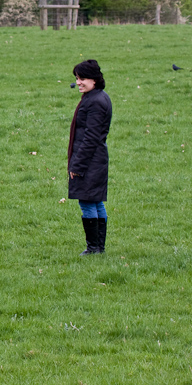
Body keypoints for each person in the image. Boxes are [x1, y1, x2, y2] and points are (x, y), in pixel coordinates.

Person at [68, 60, 112, 256]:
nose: (78, 82)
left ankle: (94, 248)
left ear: (94, 79)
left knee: (88, 202)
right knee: (95, 201)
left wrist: (77, 165)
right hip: (95, 160)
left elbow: (91, 137)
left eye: (82, 78)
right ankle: (98, 248)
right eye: (77, 78)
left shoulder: (95, 102)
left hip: (90, 161)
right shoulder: (97, 97)